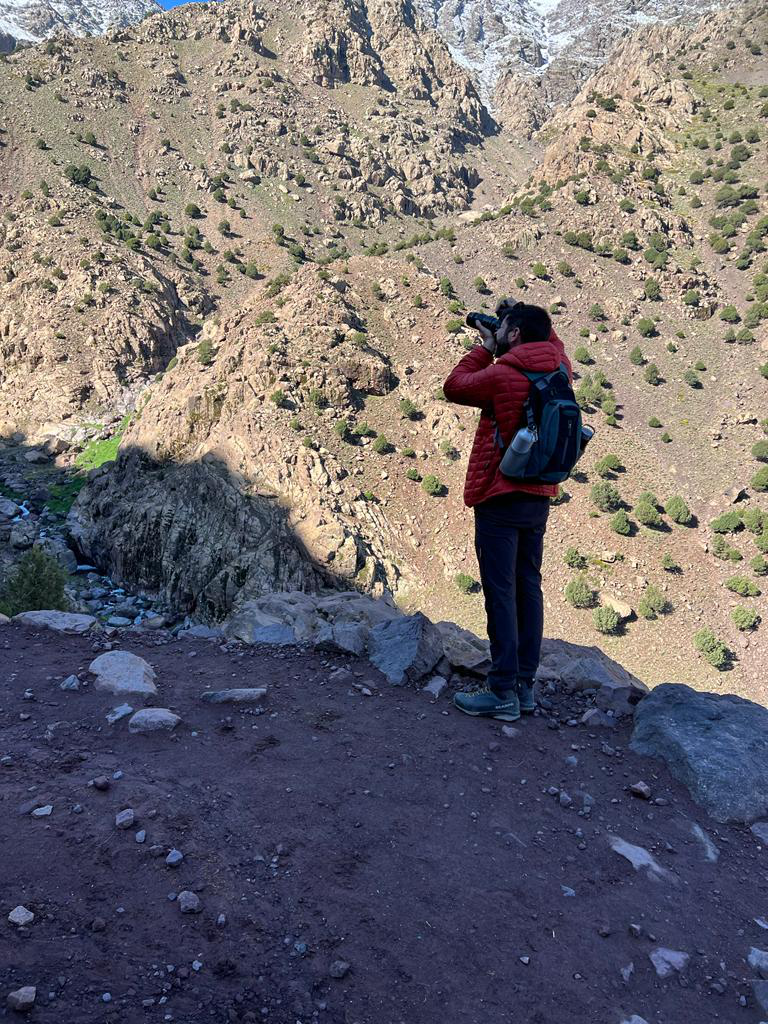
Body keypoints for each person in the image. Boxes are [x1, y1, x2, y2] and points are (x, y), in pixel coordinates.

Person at [443, 300, 572, 721]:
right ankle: (524, 687)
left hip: (500, 495)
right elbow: (550, 338)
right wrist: (517, 318)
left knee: (500, 593)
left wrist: (485, 344)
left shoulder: (502, 373)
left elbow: (455, 385)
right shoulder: (560, 368)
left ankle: (500, 692)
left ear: (513, 333)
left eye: (506, 329)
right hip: (539, 495)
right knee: (527, 588)